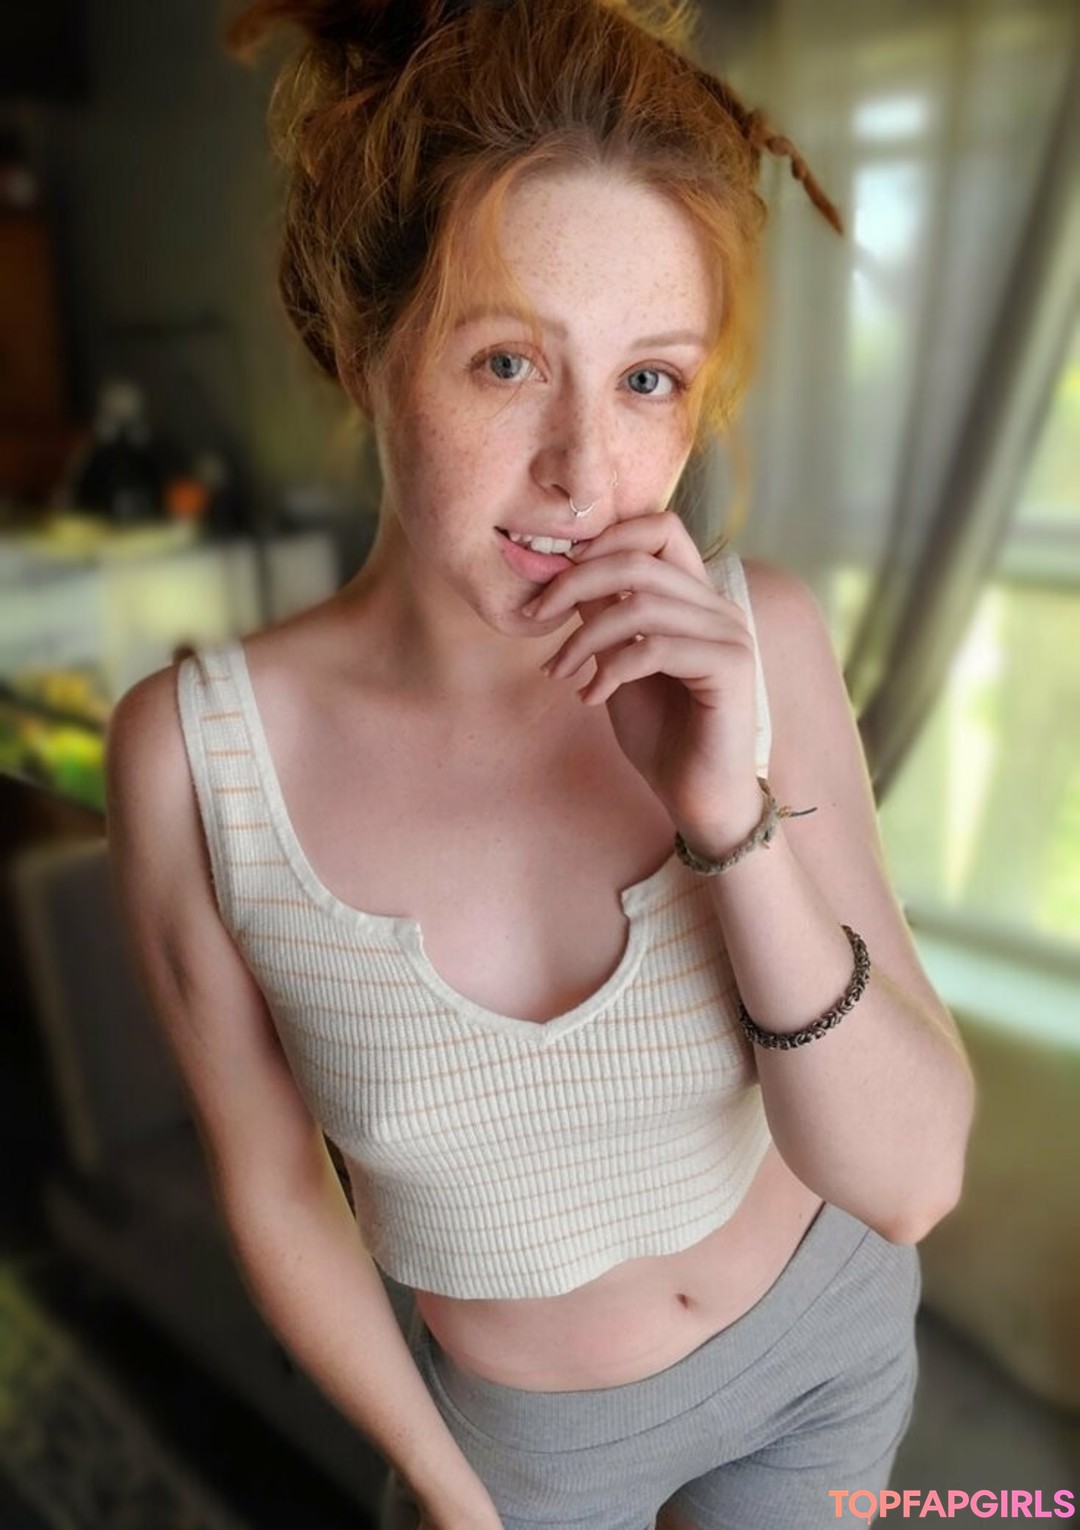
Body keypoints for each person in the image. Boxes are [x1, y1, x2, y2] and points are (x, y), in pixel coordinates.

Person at [104, 2, 976, 1526]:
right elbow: (275, 1185)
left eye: (650, 380)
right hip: (525, 1450)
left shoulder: (756, 644)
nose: (585, 473)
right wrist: (452, 1493)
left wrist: (727, 816)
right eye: (508, 362)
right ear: (364, 348)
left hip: (827, 1350)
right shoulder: (197, 761)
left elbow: (908, 1182)